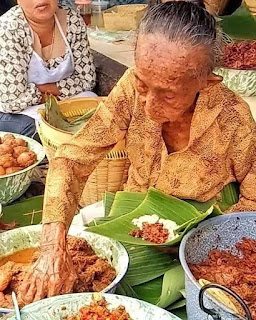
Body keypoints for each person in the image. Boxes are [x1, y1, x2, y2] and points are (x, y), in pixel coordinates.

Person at [21, 1, 256, 302]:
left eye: (168, 93)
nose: (148, 106)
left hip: (206, 244)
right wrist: (52, 245)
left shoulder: (233, 118)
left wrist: (197, 238)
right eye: (143, 84)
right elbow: (71, 157)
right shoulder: (131, 87)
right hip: (133, 225)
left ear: (206, 83)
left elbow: (251, 201)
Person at [0, 0, 96, 137]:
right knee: (41, 131)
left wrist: (45, 90)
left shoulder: (72, 20)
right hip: (13, 111)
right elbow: (13, 101)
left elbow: (87, 80)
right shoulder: (8, 29)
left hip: (61, 99)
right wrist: (51, 93)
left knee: (98, 114)